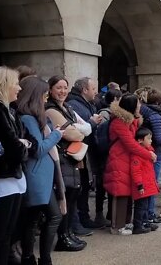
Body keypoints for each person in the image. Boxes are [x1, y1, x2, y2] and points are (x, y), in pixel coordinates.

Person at [17, 77, 65, 265]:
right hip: (37, 176)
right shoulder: (28, 118)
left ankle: (34, 258)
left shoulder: (30, 116)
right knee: (49, 217)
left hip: (41, 176)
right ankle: (40, 258)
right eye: (44, 95)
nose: (46, 98)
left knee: (36, 218)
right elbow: (38, 149)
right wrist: (56, 135)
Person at [46, 75, 91, 251]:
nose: (63, 91)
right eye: (59, 87)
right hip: (63, 159)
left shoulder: (67, 107)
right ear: (50, 90)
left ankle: (69, 233)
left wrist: (77, 130)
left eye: (65, 87)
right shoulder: (50, 109)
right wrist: (78, 130)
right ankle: (63, 237)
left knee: (72, 197)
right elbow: (72, 134)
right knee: (64, 199)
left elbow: (83, 128)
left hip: (73, 159)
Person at [0, 66, 29, 265]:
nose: (19, 88)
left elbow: (19, 143)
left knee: (7, 235)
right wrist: (22, 147)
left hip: (11, 176)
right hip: (1, 178)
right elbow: (15, 146)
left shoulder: (8, 110)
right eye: (15, 83)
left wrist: (21, 146)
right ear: (4, 85)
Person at [104, 93, 154, 235]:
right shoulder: (119, 122)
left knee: (127, 194)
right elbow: (131, 144)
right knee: (120, 193)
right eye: (138, 104)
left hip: (126, 159)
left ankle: (126, 223)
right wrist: (148, 154)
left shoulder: (129, 120)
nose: (140, 106)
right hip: (118, 160)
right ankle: (117, 226)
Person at [66, 77, 104, 230]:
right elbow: (80, 129)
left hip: (86, 151)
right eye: (93, 88)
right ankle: (77, 221)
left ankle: (83, 217)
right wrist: (93, 122)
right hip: (79, 152)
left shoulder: (86, 103)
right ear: (84, 90)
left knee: (84, 187)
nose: (96, 92)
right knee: (79, 187)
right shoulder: (75, 104)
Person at [137, 87, 161, 224]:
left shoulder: (144, 112)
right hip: (155, 153)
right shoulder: (156, 116)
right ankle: (150, 213)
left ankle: (146, 213)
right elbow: (159, 139)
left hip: (145, 151)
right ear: (160, 102)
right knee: (151, 184)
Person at [131, 128, 159, 234]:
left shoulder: (148, 152)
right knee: (140, 206)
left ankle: (145, 222)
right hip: (142, 185)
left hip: (147, 184)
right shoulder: (137, 155)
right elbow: (136, 172)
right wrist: (139, 185)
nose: (151, 141)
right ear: (140, 140)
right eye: (148, 138)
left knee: (145, 206)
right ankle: (138, 225)